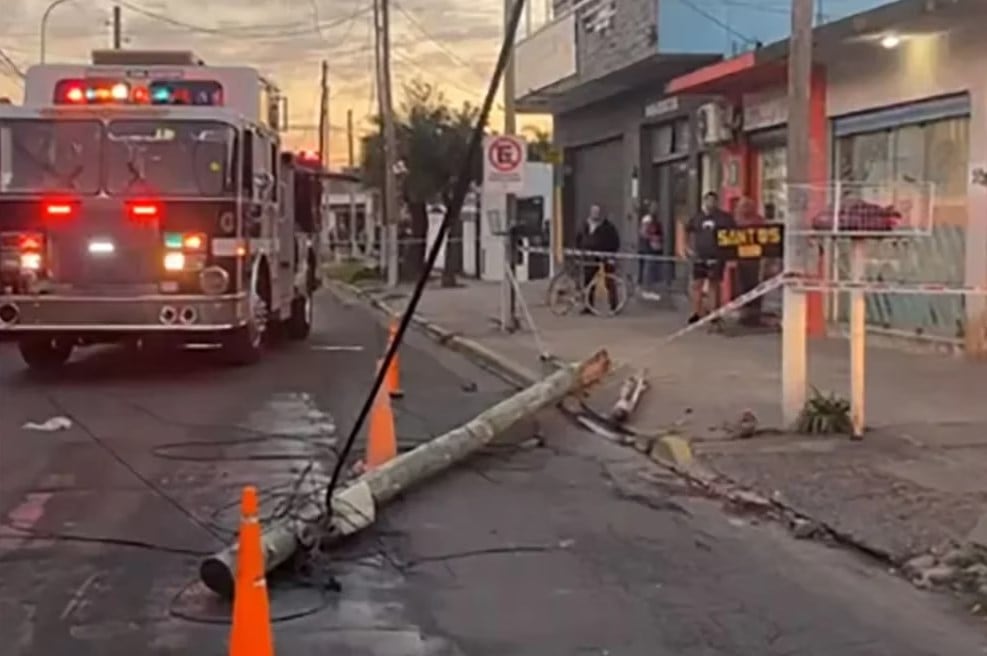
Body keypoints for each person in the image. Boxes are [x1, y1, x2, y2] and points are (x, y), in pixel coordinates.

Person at [685, 191, 735, 324]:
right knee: (697, 284)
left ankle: (714, 314)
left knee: (714, 284)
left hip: (717, 256)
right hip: (700, 256)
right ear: (704, 202)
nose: (710, 203)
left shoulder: (724, 218)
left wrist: (730, 254)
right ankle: (696, 312)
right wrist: (687, 248)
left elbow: (734, 235)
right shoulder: (697, 217)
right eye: (708, 201)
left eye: (713, 201)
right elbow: (687, 230)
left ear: (717, 202)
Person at [575, 204, 620, 314]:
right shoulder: (584, 224)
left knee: (609, 281)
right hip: (590, 257)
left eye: (597, 212)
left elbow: (615, 240)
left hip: (605, 255)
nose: (596, 214)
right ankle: (588, 305)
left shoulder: (607, 226)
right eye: (594, 211)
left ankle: (614, 305)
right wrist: (579, 252)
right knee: (588, 281)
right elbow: (579, 238)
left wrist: (611, 254)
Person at [733, 196, 766, 326]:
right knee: (742, 288)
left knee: (756, 288)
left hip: (755, 260)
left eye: (746, 206)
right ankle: (744, 315)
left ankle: (755, 316)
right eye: (742, 206)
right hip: (741, 259)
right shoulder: (736, 221)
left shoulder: (758, 221)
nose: (743, 209)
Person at [637, 201, 662, 289]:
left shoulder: (656, 220)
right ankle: (645, 287)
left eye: (656, 207)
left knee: (652, 269)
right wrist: (652, 238)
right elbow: (643, 233)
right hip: (647, 248)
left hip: (654, 249)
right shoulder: (647, 219)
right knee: (647, 269)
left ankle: (650, 286)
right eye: (653, 207)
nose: (655, 209)